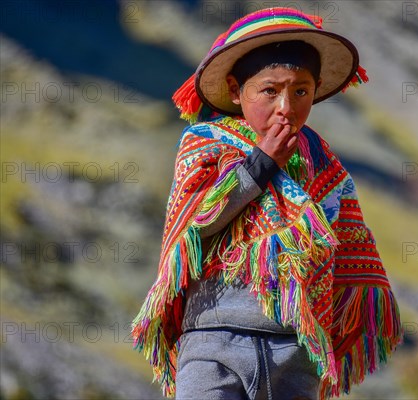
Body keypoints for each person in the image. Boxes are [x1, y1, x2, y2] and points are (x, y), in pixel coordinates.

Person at [131, 7, 402, 400]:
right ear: (236, 89)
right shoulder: (205, 145)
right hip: (213, 342)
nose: (286, 107)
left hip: (295, 351)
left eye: (301, 91)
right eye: (270, 90)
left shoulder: (327, 171)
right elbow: (194, 229)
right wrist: (261, 165)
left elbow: (343, 257)